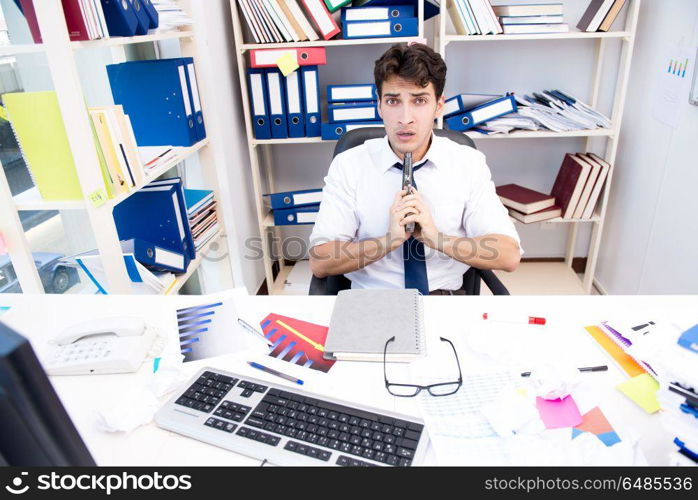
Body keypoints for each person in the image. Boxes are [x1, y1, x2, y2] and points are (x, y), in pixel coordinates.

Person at [309, 43, 522, 295]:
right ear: (379, 105)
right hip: (371, 301)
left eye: (419, 100)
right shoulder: (350, 165)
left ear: (439, 105)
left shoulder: (468, 162)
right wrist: (389, 242)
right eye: (393, 101)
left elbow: (508, 255)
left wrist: (437, 239)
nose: (405, 118)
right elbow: (320, 262)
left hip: (444, 300)